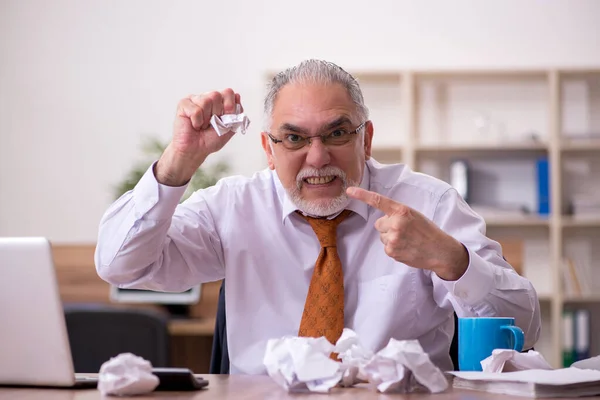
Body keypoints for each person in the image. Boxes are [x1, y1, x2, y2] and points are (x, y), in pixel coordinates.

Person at [95, 59, 541, 374]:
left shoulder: (429, 204)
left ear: (365, 140)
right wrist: (178, 162)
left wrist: (453, 261)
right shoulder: (234, 206)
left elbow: (525, 326)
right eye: (293, 138)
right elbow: (121, 266)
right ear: (269, 150)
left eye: (337, 133)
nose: (317, 156)